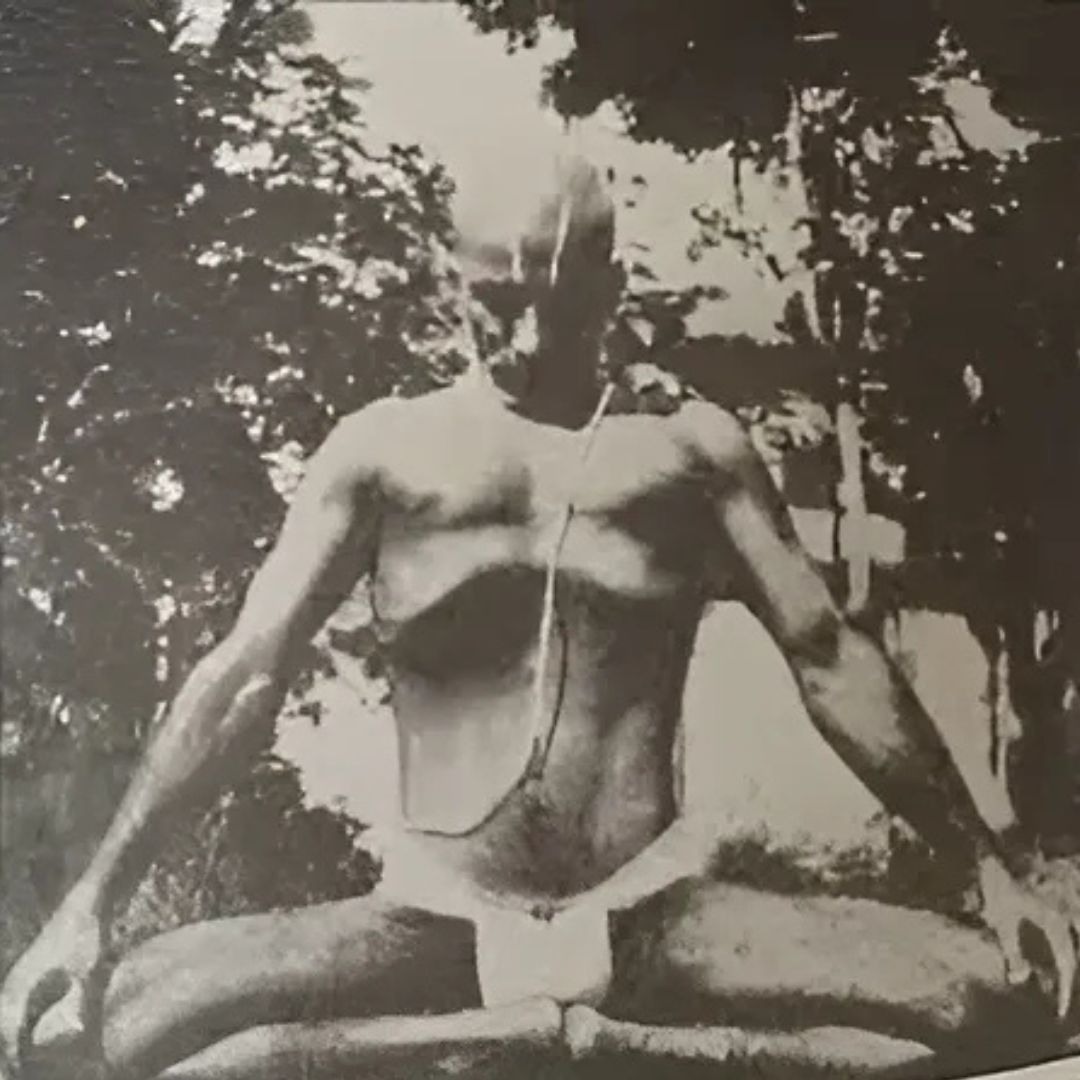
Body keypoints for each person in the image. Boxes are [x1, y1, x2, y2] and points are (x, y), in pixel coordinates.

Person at [2, 157, 1077, 1080]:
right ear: (452, 280)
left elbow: (829, 656)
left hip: (657, 916)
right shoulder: (381, 454)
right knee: (107, 1021)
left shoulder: (690, 454)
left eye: (555, 309)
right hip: (432, 918)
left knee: (1004, 998)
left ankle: (600, 1041)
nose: (521, 337)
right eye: (494, 302)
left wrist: (991, 870)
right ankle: (535, 1035)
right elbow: (247, 672)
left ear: (612, 287)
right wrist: (91, 900)